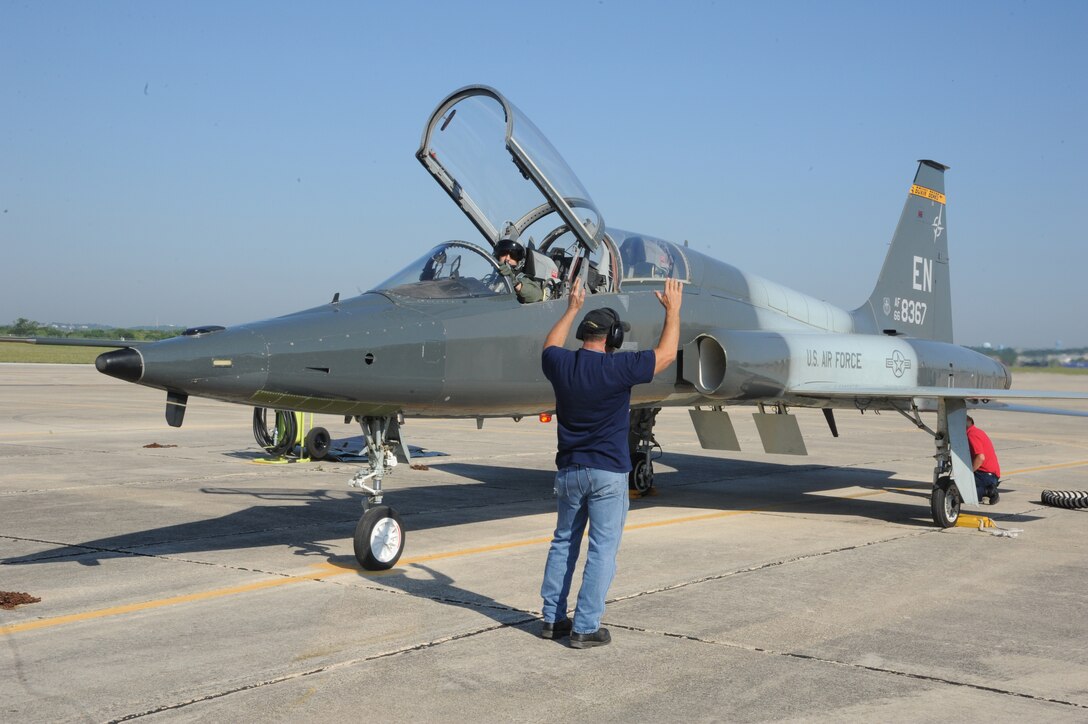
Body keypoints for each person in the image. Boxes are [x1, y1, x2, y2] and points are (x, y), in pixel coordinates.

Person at [538, 277, 683, 648]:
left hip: (569, 471)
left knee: (563, 543)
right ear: (612, 337)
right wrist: (673, 311)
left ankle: (553, 620)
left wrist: (570, 308)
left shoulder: (561, 364)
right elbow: (666, 355)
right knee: (602, 548)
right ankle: (586, 627)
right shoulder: (619, 369)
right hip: (607, 474)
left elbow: (550, 344)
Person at [493, 239, 544, 303]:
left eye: (513, 255)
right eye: (503, 253)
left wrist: (514, 283)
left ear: (520, 261)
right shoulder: (491, 281)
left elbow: (536, 295)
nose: (507, 258)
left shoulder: (523, 280)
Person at [967, 415, 1001, 504]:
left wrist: (968, 473)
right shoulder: (977, 431)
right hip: (988, 474)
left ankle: (988, 491)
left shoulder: (971, 434)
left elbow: (980, 457)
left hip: (986, 475)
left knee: (962, 491)